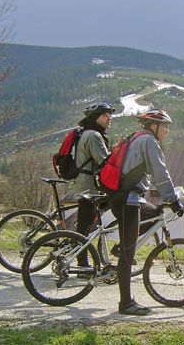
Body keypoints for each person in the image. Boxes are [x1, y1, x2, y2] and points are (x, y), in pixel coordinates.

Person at [109, 108, 184, 316]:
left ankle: (119, 248)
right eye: (165, 127)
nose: (167, 131)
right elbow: (161, 172)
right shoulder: (150, 141)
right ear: (154, 126)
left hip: (127, 197)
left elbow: (147, 171)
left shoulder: (137, 137)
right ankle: (125, 304)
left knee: (153, 215)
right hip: (127, 200)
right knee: (127, 254)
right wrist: (173, 200)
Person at [72, 102, 114, 267]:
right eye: (105, 115)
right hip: (88, 186)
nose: (109, 118)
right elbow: (104, 161)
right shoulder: (93, 136)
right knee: (85, 225)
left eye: (110, 114)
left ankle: (79, 254)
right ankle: (81, 262)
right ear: (96, 118)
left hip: (87, 184)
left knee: (86, 222)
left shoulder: (91, 133)